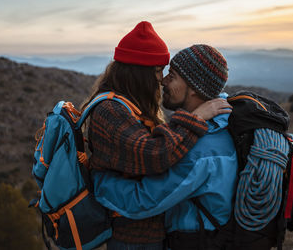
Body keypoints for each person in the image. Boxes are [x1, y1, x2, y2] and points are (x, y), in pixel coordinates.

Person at [82, 23, 231, 250]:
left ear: (193, 88)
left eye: (169, 73)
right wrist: (196, 118)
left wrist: (102, 184)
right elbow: (154, 155)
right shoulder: (111, 110)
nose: (161, 79)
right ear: (139, 73)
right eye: (158, 71)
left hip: (148, 235)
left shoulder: (204, 149)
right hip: (132, 236)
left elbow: (146, 197)